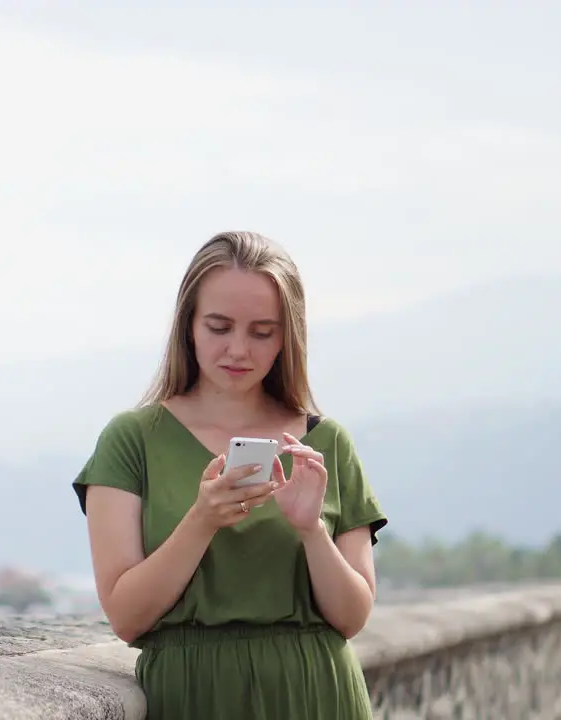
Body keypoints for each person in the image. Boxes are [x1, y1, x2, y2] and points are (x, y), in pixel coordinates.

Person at [72, 231, 387, 719]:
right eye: (219, 327)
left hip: (318, 694)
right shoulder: (131, 439)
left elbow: (351, 618)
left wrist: (310, 531)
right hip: (192, 697)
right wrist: (202, 519)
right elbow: (127, 618)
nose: (238, 349)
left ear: (287, 337)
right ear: (188, 327)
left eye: (262, 332)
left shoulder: (327, 444)